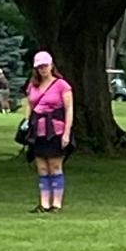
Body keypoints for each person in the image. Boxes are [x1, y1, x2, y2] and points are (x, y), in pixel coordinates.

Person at [25, 50, 74, 214]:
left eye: (45, 66)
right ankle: (44, 203)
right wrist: (27, 122)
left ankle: (57, 203)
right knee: (42, 167)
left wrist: (66, 132)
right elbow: (30, 105)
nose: (42, 69)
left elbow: (69, 110)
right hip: (37, 131)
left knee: (55, 165)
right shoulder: (33, 86)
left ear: (51, 65)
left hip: (56, 131)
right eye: (39, 67)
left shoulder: (62, 85)